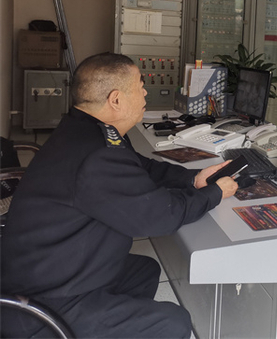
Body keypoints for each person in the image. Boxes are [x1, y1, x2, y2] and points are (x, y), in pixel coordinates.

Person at [0, 53, 238, 338]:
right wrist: (214, 193)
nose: (145, 93)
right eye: (140, 86)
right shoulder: (97, 155)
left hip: (52, 269)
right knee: (174, 323)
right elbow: (160, 216)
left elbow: (141, 166)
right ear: (116, 99)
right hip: (44, 303)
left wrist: (192, 178)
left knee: (144, 271)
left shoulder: (84, 129)